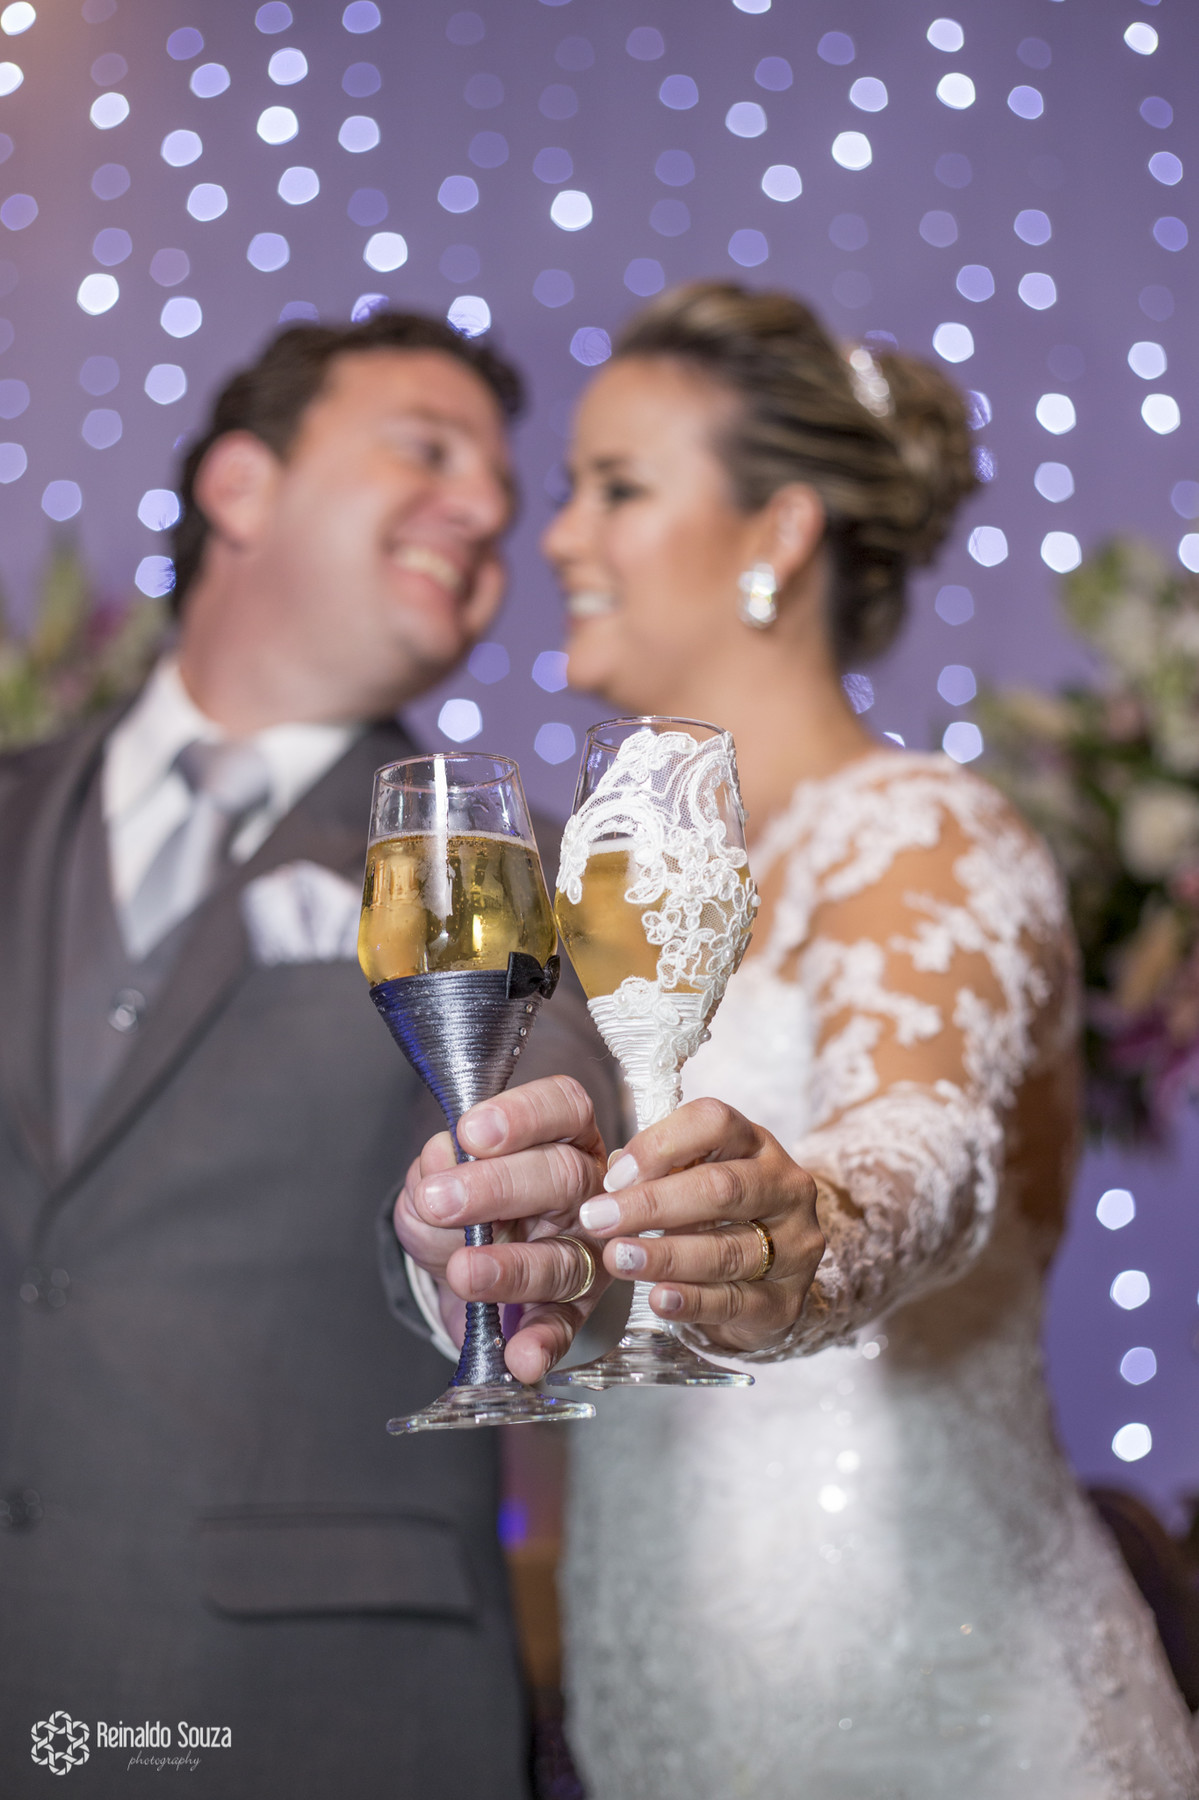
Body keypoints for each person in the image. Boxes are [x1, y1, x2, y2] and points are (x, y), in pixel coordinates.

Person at [396, 284, 1199, 1796]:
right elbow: (592, 1259)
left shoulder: (923, 835)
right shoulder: (587, 891)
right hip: (661, 1705)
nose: (557, 538)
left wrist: (810, 1238)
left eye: (617, 488)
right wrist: (485, 1254)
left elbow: (926, 1147)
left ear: (777, 532)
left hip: (936, 1707)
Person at [0, 310, 620, 1798]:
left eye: (499, 495)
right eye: (429, 451)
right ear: (240, 487)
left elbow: (547, 1110)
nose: (485, 513)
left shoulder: (495, 859)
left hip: (310, 1712)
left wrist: (493, 1238)